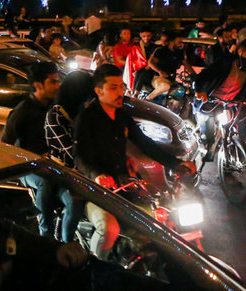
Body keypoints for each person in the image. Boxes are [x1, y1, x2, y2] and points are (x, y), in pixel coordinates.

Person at [74, 64, 195, 259]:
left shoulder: (122, 116)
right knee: (109, 229)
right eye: (113, 87)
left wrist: (175, 163)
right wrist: (97, 176)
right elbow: (80, 156)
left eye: (121, 86)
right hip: (95, 190)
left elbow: (146, 144)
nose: (120, 92)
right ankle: (96, 268)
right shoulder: (87, 119)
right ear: (99, 91)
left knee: (158, 220)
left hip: (123, 185)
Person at [0, 64, 63, 237]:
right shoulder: (22, 112)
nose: (58, 85)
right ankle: (46, 234)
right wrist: (29, 160)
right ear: (38, 85)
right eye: (53, 82)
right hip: (29, 167)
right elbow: (4, 145)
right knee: (45, 183)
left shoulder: (56, 108)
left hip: (55, 164)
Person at [44, 71, 93, 242]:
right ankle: (66, 242)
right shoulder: (55, 115)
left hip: (83, 171)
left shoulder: (82, 112)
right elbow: (70, 151)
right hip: (61, 171)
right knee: (75, 203)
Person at [137, 30, 189, 101]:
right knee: (165, 86)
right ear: (171, 42)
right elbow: (151, 62)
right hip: (159, 78)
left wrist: (195, 76)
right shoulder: (161, 51)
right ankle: (147, 100)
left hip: (172, 79)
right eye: (179, 42)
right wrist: (160, 71)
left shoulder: (179, 53)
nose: (181, 44)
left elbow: (187, 65)